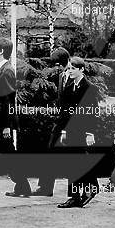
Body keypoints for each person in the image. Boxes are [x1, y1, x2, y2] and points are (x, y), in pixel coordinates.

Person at [0, 38, 31, 197]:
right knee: (9, 155)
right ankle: (23, 187)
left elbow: (8, 100)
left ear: (0, 51)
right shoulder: (1, 69)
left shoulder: (7, 71)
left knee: (7, 155)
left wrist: (6, 125)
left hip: (0, 122)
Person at [56, 57, 101, 208]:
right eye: (69, 69)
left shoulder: (90, 88)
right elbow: (65, 112)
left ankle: (91, 187)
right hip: (71, 131)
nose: (70, 71)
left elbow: (93, 112)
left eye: (73, 69)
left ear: (81, 70)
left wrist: (90, 133)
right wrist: (63, 131)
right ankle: (75, 196)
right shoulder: (69, 87)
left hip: (84, 131)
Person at [33, 47, 70, 197]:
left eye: (58, 64)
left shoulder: (75, 76)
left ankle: (80, 190)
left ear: (64, 62)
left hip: (72, 123)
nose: (56, 68)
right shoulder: (62, 76)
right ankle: (45, 187)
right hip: (60, 121)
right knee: (50, 152)